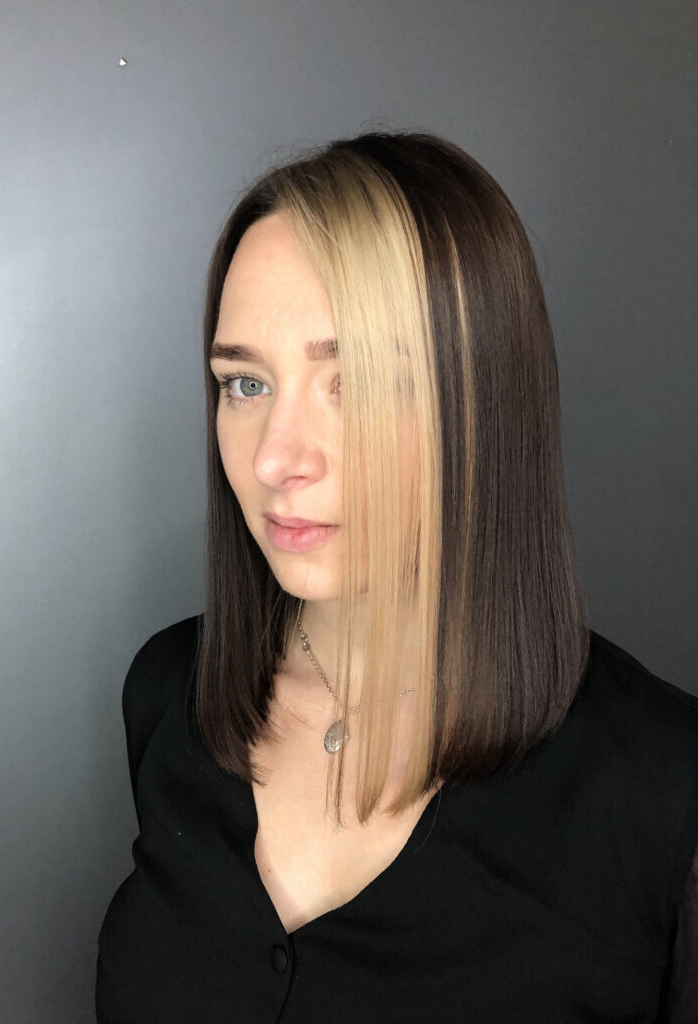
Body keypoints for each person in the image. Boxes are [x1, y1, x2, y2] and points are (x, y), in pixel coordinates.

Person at [95, 131, 698, 1022]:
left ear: (484, 401)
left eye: (356, 382)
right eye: (246, 384)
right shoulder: (169, 694)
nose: (275, 460)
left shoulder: (663, 790)